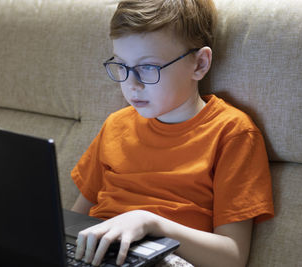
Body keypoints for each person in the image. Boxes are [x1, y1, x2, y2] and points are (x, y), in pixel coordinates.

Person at [70, 0, 274, 266]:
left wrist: (151, 223)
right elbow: (73, 223)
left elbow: (231, 257)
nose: (132, 85)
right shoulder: (115, 125)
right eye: (122, 66)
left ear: (200, 64)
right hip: (97, 254)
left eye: (148, 67)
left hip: (167, 258)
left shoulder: (232, 133)